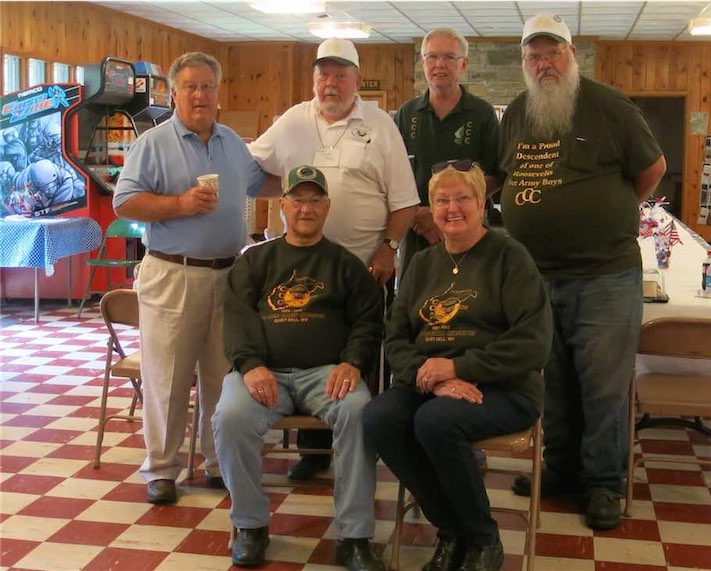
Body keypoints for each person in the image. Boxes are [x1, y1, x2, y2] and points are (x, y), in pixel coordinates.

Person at [499, 14, 666, 530]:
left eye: (552, 53)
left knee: (603, 386)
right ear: (524, 63)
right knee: (555, 384)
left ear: (571, 56)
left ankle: (603, 484)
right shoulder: (518, 114)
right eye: (533, 56)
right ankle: (562, 469)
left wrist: (604, 215)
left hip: (604, 277)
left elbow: (652, 170)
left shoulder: (609, 106)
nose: (543, 64)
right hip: (536, 277)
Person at [362, 160, 552, 571]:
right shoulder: (421, 265)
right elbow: (395, 338)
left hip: (506, 388)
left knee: (436, 422)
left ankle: (483, 540)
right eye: (442, 200)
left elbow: (533, 342)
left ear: (482, 203)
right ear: (430, 208)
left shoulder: (510, 257)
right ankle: (450, 528)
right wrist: (430, 378)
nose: (453, 208)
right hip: (431, 385)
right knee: (379, 417)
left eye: (463, 198)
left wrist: (459, 368)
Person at [248, 37, 419, 481]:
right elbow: (253, 171)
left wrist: (391, 247)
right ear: (314, 79)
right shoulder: (292, 121)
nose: (331, 82)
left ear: (357, 80)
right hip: (301, 266)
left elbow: (404, 202)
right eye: (324, 73)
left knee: (360, 358)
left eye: (341, 74)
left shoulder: (381, 125)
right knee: (309, 352)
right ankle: (314, 451)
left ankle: (363, 450)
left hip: (364, 270)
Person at [113, 52, 267, 505]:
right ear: (175, 93)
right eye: (191, 87)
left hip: (229, 275)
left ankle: (219, 463)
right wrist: (178, 205)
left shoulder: (233, 144)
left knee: (223, 377)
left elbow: (262, 183)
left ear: (219, 94)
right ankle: (161, 470)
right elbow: (125, 202)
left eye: (208, 87)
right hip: (173, 273)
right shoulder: (153, 143)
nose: (200, 95)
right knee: (169, 380)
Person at [212, 165, 385, 570]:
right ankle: (251, 526)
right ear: (283, 206)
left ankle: (354, 537)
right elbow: (237, 319)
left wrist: (352, 361)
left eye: (315, 200)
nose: (306, 208)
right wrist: (251, 365)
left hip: (326, 373)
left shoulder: (346, 265)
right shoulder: (255, 261)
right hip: (262, 372)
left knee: (360, 412)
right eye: (298, 200)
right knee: (230, 417)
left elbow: (368, 322)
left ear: (327, 207)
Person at [393, 28, 501, 276]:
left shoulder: (482, 114)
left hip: (469, 231)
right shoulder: (406, 114)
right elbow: (393, 178)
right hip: (418, 230)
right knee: (416, 299)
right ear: (423, 62)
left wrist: (445, 211)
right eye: (432, 57)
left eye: (449, 57)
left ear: (464, 63)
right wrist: (420, 218)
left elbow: (495, 175)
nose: (439, 64)